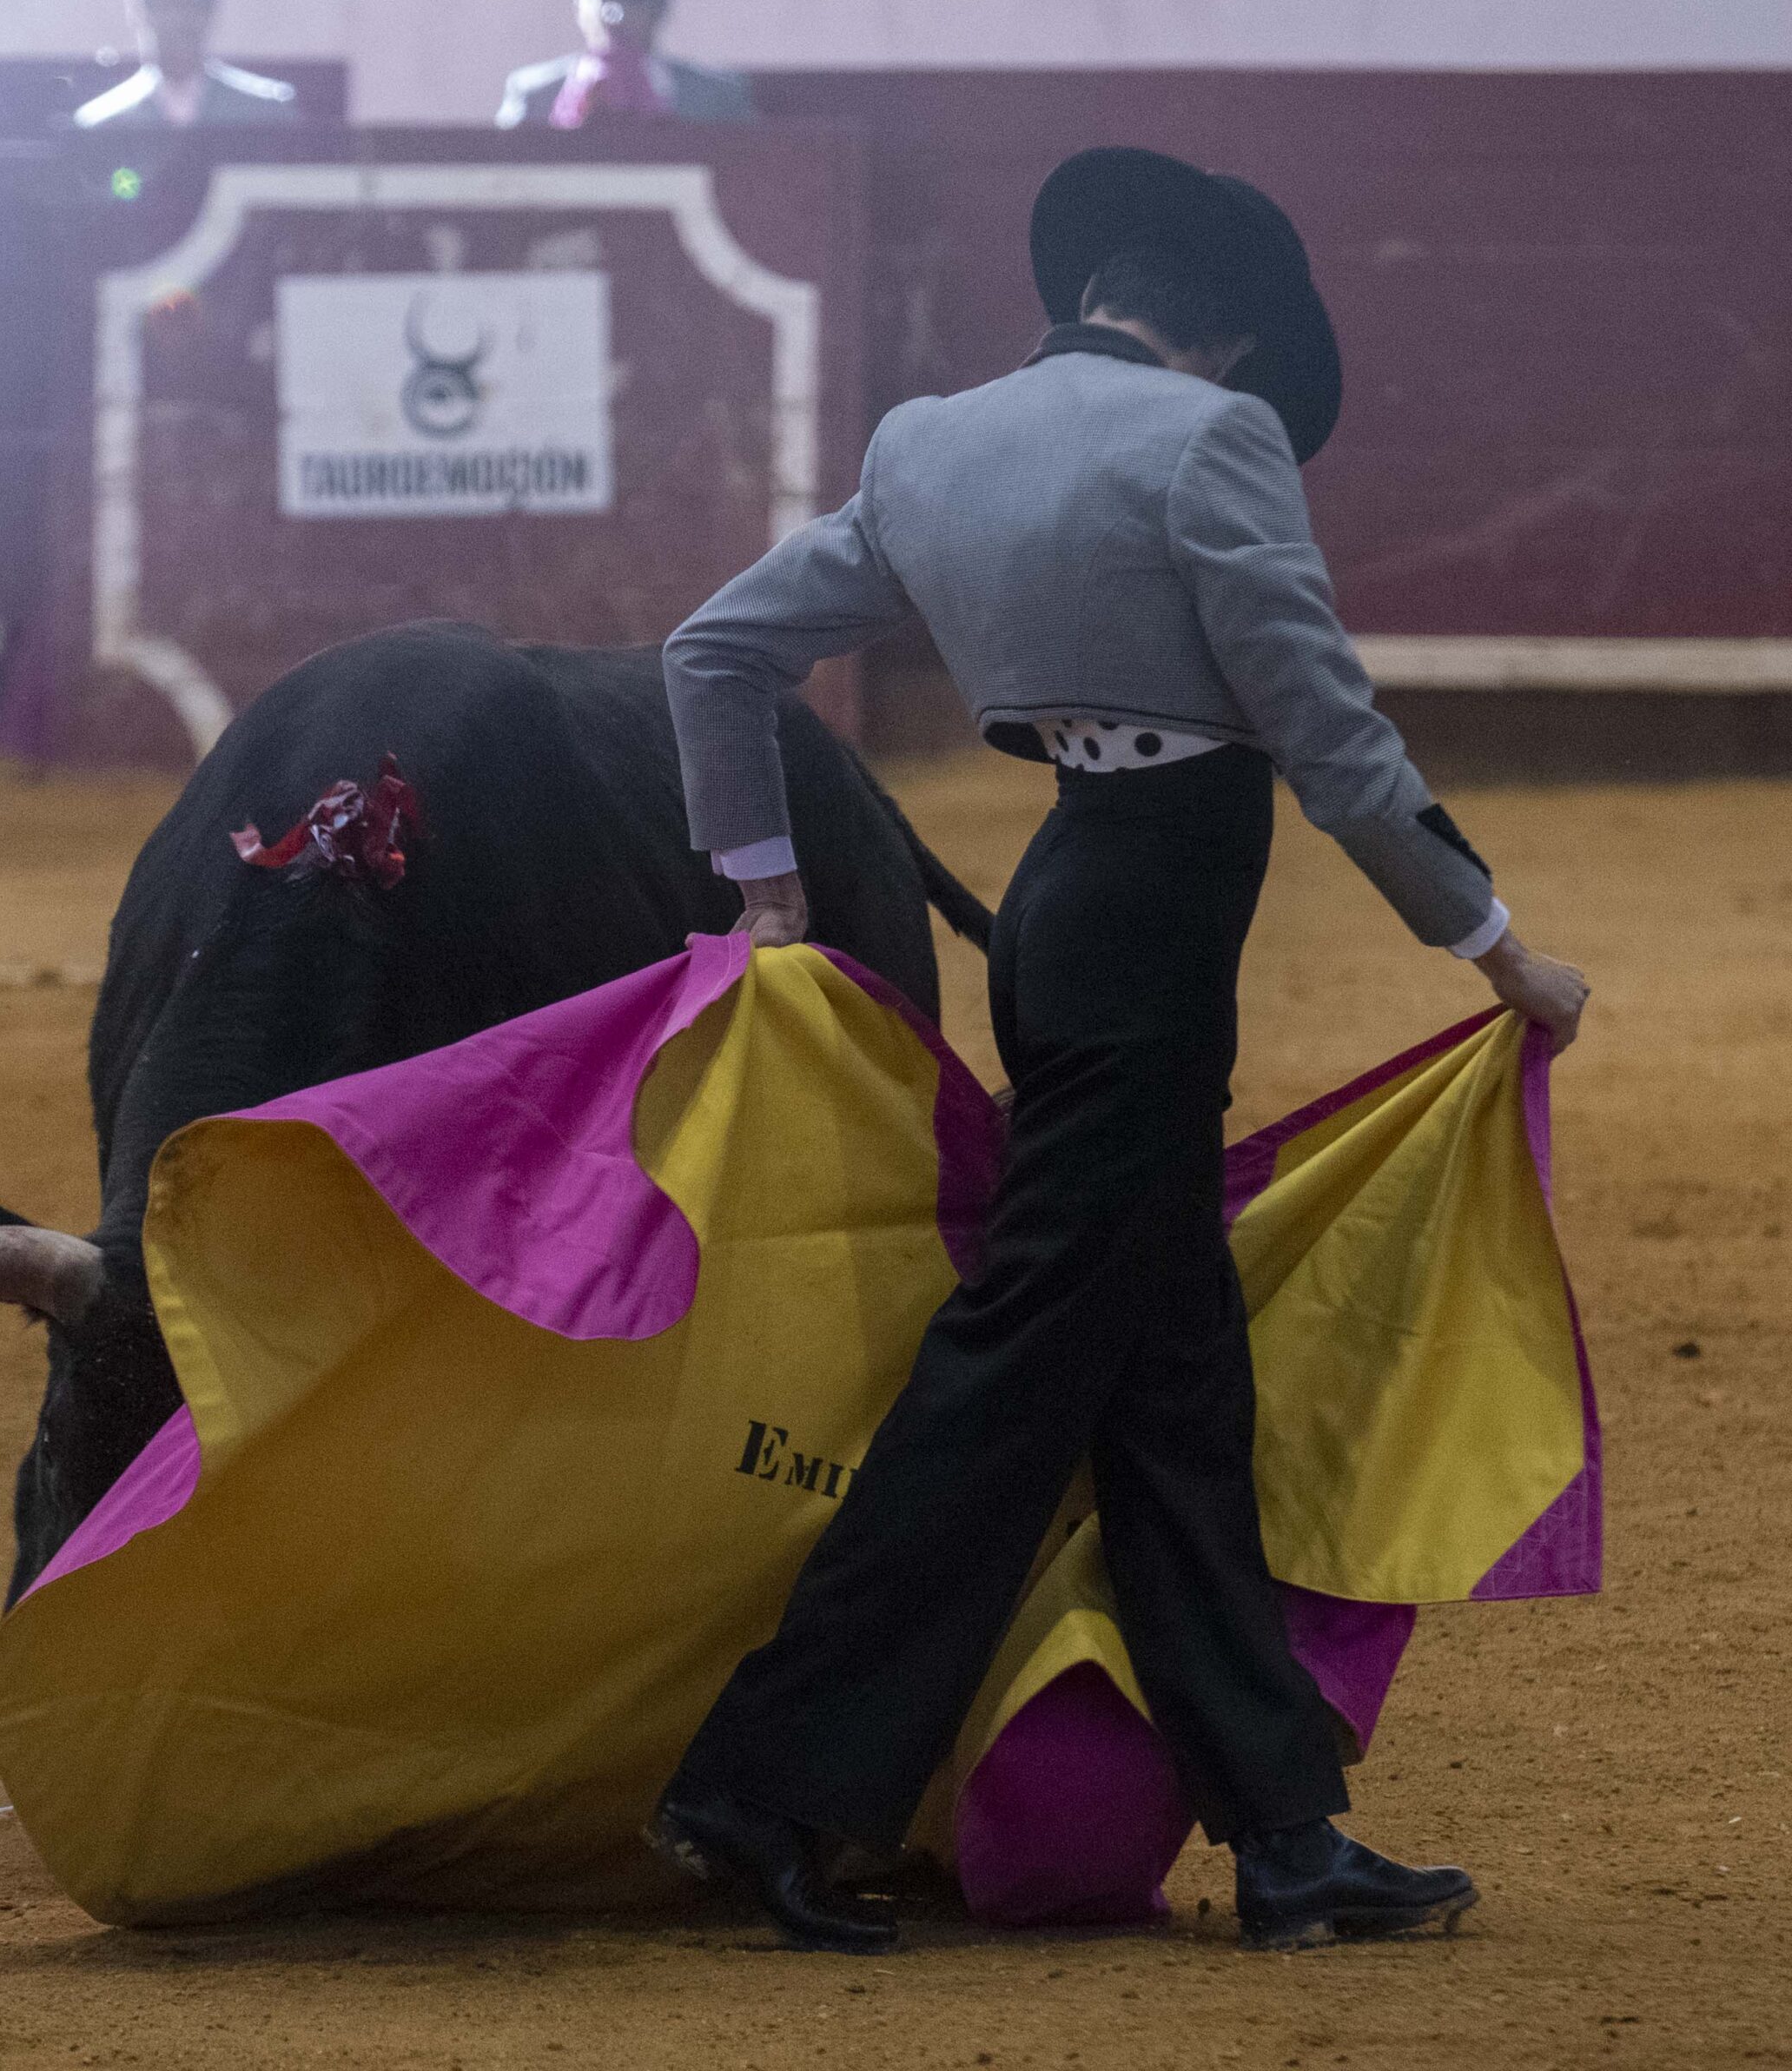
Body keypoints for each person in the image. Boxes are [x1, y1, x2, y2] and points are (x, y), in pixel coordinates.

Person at [650, 146, 1591, 1955]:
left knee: (1171, 1389)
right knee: (1011, 1366)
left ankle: (1286, 1836)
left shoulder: (926, 440)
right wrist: (1492, 946)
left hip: (1059, 903)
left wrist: (764, 889)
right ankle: (758, 1785)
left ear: (1094, 289)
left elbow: (712, 653)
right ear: (1222, 331)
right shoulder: (1208, 442)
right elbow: (1322, 729)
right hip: (1149, 936)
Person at [496, 0, 754, 129]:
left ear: (660, 7)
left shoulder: (715, 96)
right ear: (578, 7)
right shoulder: (535, 94)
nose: (614, 11)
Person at [73, 0, 298, 131]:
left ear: (210, 11)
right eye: (166, 4)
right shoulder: (102, 123)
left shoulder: (264, 113)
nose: (178, 19)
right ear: (139, 11)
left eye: (190, 4)